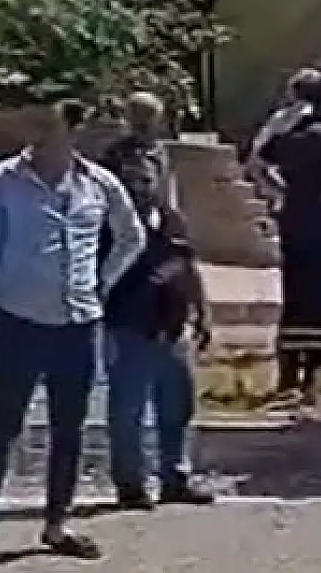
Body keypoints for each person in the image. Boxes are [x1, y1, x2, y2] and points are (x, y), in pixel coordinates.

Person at [0, 98, 146, 569]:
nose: (34, 129)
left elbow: (131, 236)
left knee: (69, 429)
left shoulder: (99, 182)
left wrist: (102, 281)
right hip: (19, 320)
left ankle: (57, 524)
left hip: (78, 324)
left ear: (71, 129)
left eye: (46, 122)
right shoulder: (0, 180)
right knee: (1, 426)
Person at [101, 153, 214, 509]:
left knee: (177, 407)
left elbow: (188, 266)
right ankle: (130, 485)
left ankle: (175, 479)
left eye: (146, 180)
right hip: (129, 327)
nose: (139, 188)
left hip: (173, 327)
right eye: (131, 180)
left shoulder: (170, 220)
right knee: (128, 411)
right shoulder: (108, 223)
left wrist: (203, 313)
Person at [248, 68, 321, 401]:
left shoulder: (286, 137)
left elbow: (256, 165)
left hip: (294, 221)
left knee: (296, 295)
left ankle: (287, 376)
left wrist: (280, 192)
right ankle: (314, 375)